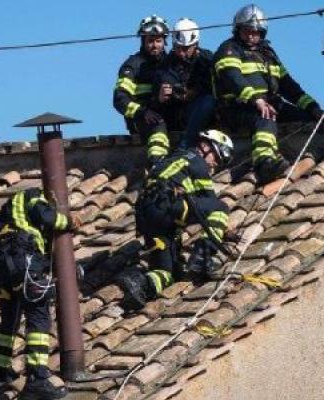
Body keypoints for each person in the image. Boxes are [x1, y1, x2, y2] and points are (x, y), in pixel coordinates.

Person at [213, 4, 324, 185]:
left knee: (304, 117)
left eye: (256, 32)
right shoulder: (229, 49)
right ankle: (264, 163)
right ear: (238, 29)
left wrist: (314, 109)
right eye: (247, 31)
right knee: (264, 116)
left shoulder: (268, 55)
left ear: (262, 33)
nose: (251, 35)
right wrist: (256, 100)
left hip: (269, 104)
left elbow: (289, 86)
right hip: (237, 108)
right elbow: (233, 78)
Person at [119, 129, 236, 310]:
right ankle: (202, 257)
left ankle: (141, 284)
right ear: (205, 146)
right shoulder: (197, 162)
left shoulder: (173, 158)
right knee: (221, 207)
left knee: (168, 272)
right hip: (167, 207)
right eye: (216, 157)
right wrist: (220, 232)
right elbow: (209, 202)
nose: (214, 166)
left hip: (149, 216)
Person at [0, 188, 80, 400]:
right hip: (20, 259)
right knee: (38, 314)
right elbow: (46, 216)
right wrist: (69, 222)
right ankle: (37, 377)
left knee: (10, 318)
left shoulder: (8, 213)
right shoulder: (32, 195)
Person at [113, 15, 171, 164]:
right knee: (158, 125)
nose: (154, 45)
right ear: (143, 41)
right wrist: (141, 112)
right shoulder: (132, 66)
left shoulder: (171, 62)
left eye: (158, 41)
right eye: (150, 41)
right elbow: (120, 98)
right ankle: (157, 165)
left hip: (169, 112)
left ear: (164, 41)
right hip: (143, 119)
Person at [153, 18, 217, 150]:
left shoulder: (207, 59)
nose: (181, 53)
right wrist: (162, 97)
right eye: (178, 47)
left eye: (186, 48)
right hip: (178, 114)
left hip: (205, 112)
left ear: (196, 45)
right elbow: (161, 97)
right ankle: (185, 146)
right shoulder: (164, 66)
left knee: (209, 101)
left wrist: (194, 92)